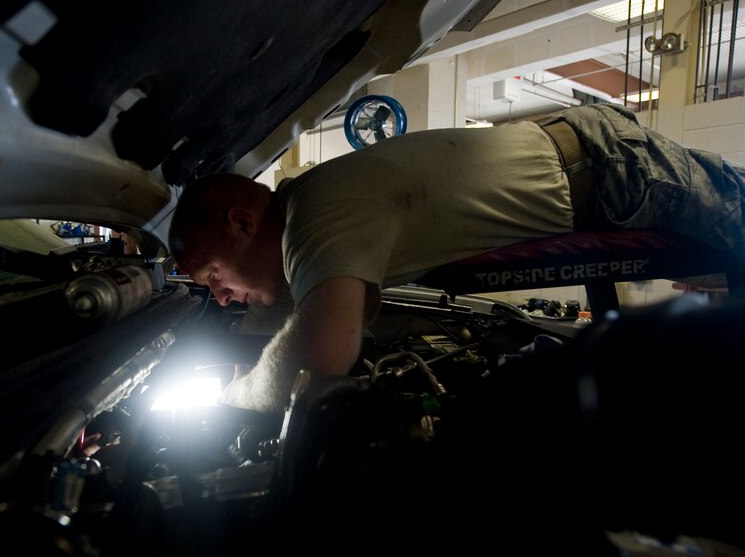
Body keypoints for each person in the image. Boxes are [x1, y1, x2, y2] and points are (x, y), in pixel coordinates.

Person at [168, 103, 745, 413]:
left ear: (243, 223)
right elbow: (302, 318)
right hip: (596, 175)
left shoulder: (318, 216)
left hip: (610, 169)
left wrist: (233, 394)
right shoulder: (305, 223)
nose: (217, 295)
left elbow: (320, 358)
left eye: (212, 276)